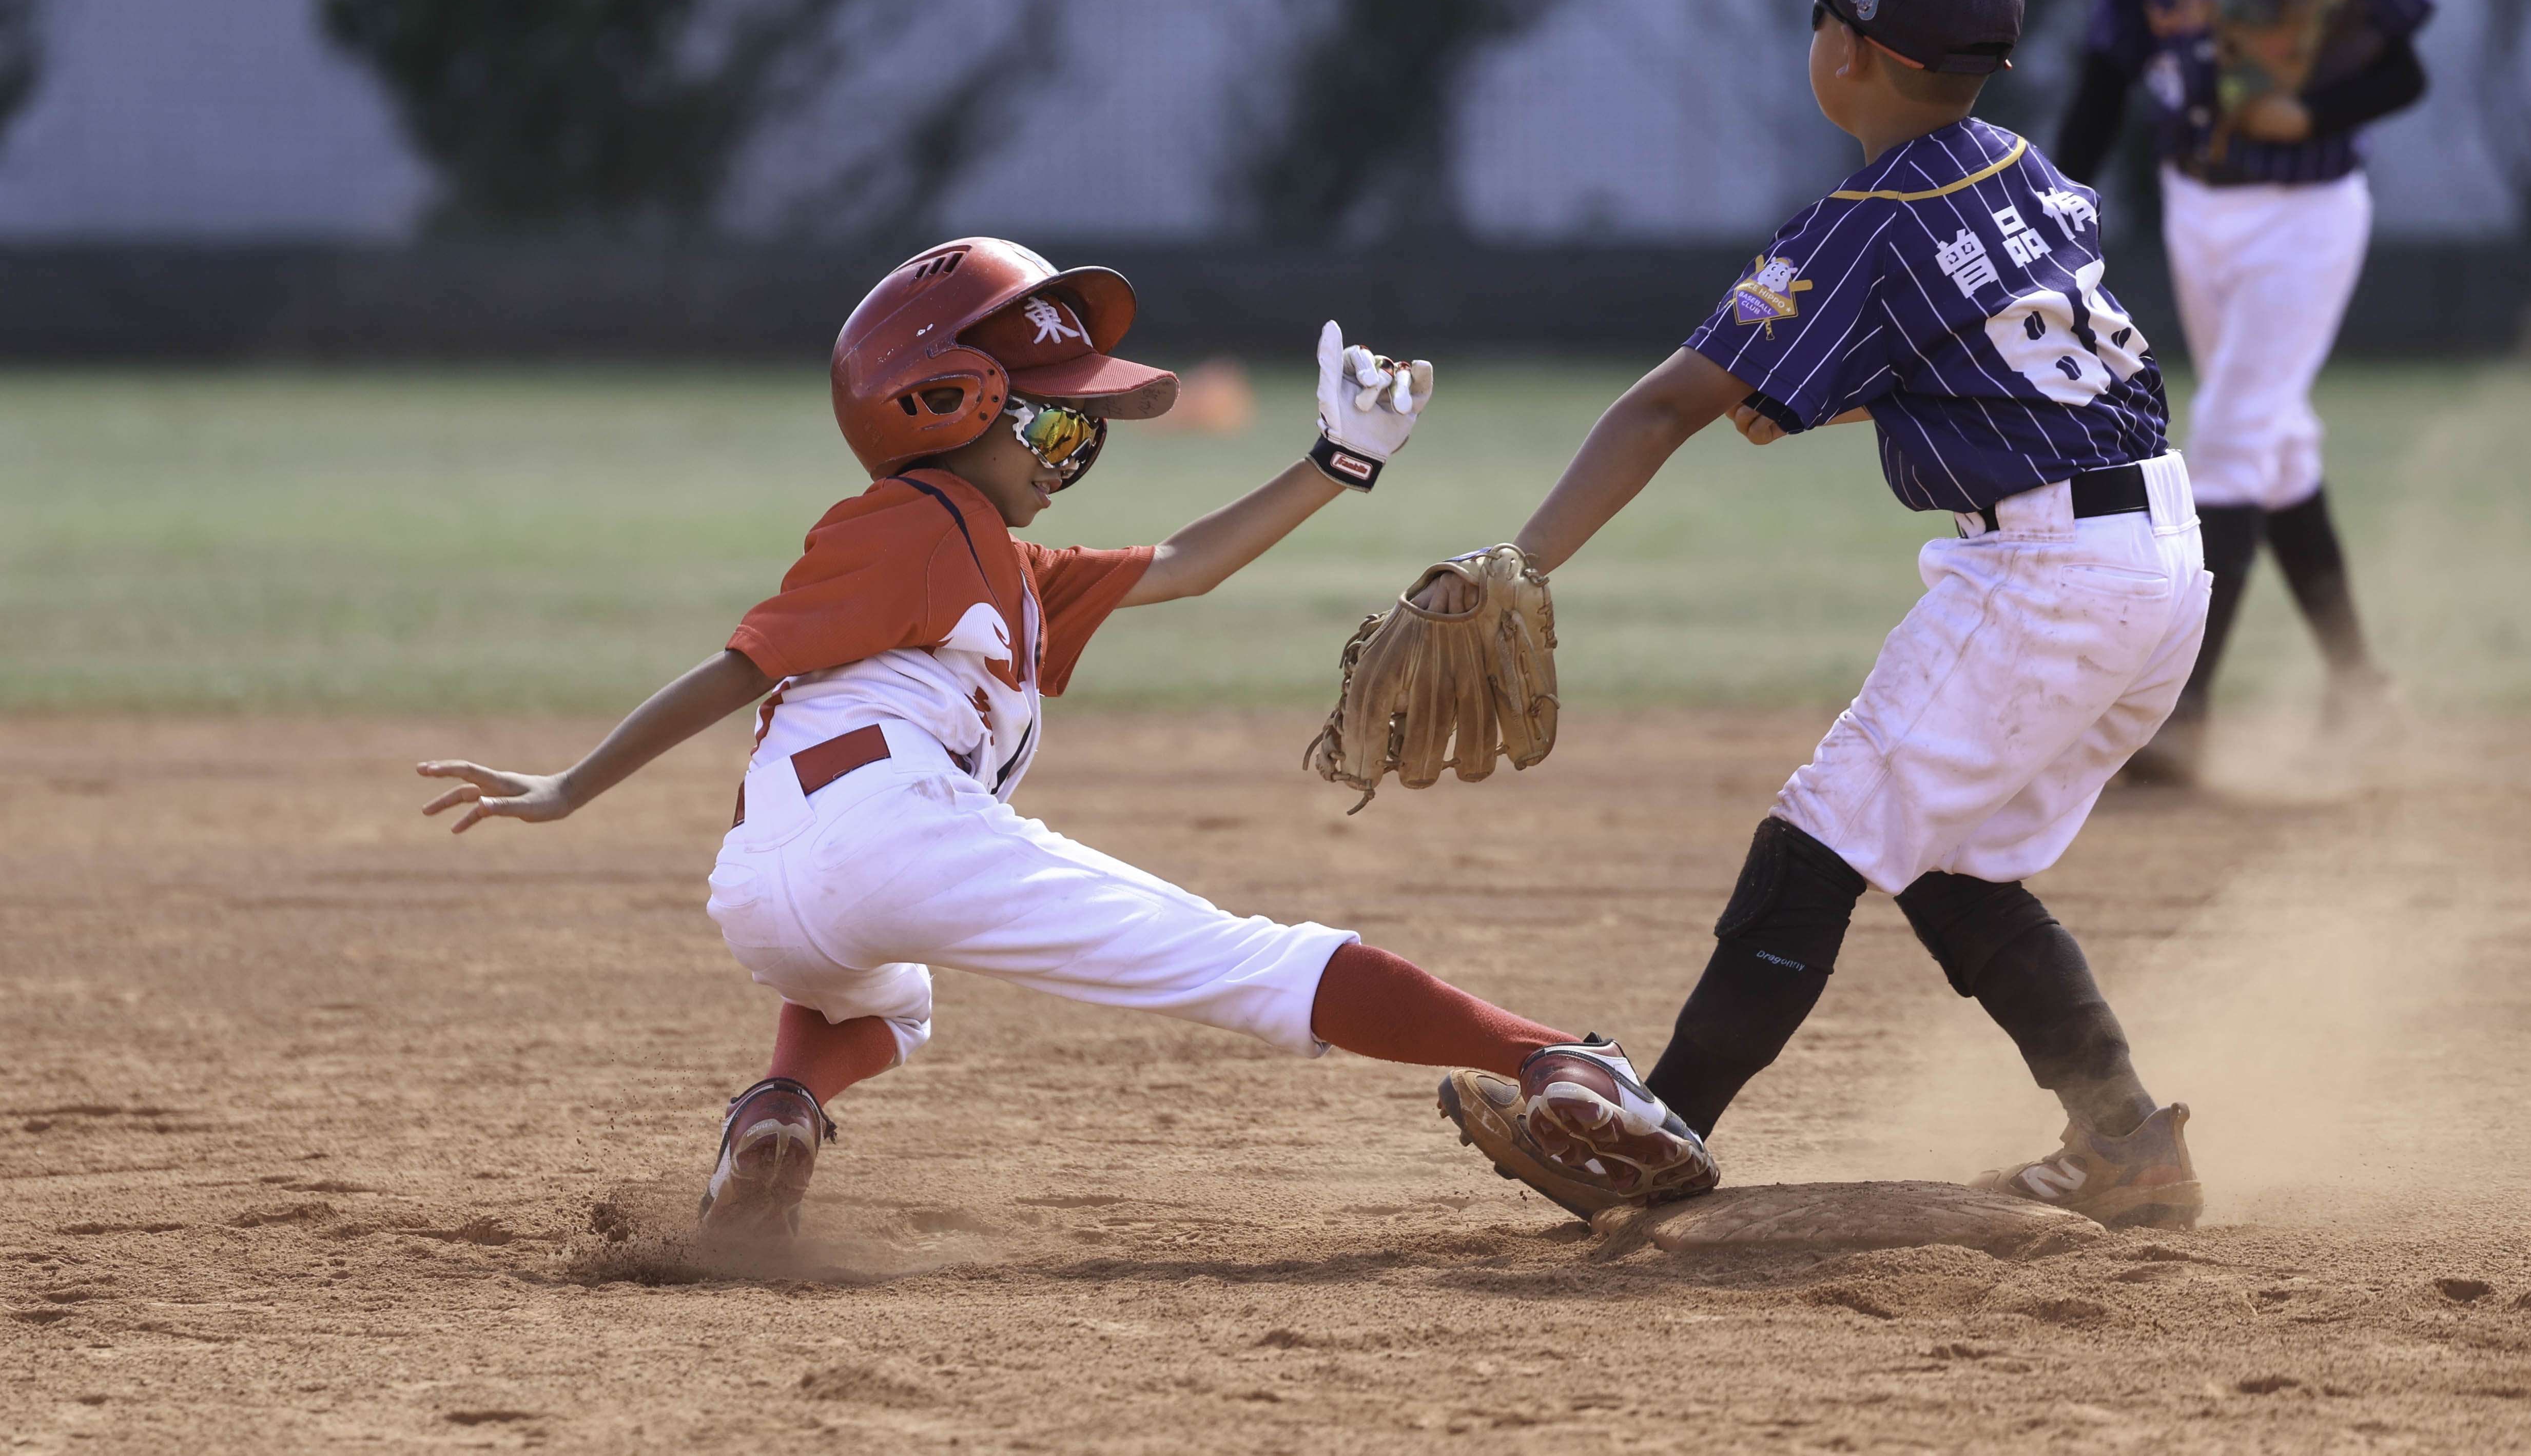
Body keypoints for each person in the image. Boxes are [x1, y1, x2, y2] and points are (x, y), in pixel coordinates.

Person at [415, 238, 1696, 1238]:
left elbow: (1188, 563)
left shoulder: (1007, 565)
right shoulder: (909, 524)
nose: (1073, 453)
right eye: (1052, 425)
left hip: (765, 882)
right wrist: (571, 786)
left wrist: (1339, 460)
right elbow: (740, 663)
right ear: (937, 404)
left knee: (879, 1002)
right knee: (1252, 962)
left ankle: (780, 1108)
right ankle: (1554, 1058)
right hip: (900, 830)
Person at [1429, 0, 2209, 1229]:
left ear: (1856, 55)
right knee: (1950, 861)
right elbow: (2005, 355)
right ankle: (2126, 1141)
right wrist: (1844, 390)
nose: (1814, 41)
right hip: (2158, 557)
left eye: (1820, 16)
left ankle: (1656, 1127)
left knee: (1825, 824)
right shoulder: (2021, 169)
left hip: (2050, 576)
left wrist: (1522, 561)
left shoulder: (1864, 222)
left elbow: (1662, 408)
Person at [2058, 0, 2433, 784]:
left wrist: (2304, 107)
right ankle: (2363, 697)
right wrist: (2050, 207)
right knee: (2274, 448)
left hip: (2304, 211)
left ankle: (2179, 720)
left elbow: (2402, 70)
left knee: (2225, 433)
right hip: (2195, 206)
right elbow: (2100, 83)